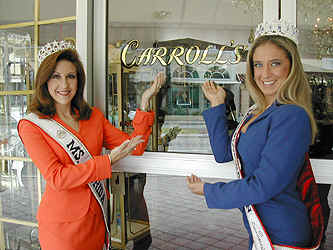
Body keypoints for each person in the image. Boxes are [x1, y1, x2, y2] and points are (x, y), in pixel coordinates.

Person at [186, 19, 324, 250]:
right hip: (258, 228)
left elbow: (264, 186)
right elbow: (223, 154)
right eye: (258, 65)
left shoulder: (292, 116)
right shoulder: (256, 112)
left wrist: (209, 191)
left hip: (283, 235)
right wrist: (217, 105)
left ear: (291, 67)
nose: (265, 73)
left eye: (275, 63)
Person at [17, 40, 165, 250]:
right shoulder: (33, 125)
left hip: (97, 220)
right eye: (56, 77)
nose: (65, 85)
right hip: (62, 230)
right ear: (44, 80)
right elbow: (57, 177)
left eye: (71, 76)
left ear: (79, 80)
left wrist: (144, 104)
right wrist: (107, 161)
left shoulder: (92, 117)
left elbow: (135, 147)